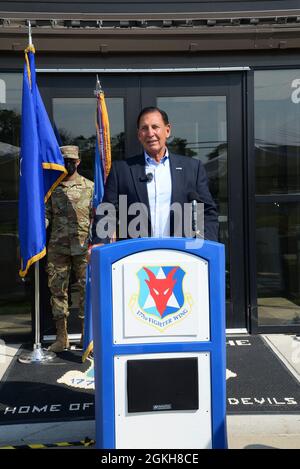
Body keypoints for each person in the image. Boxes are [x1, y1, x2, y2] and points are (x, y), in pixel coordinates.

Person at [91, 106, 218, 245]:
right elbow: (107, 212)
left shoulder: (192, 168)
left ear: (167, 130)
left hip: (181, 256)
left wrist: (207, 246)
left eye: (155, 127)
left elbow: (206, 212)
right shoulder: (121, 170)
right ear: (139, 135)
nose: (150, 133)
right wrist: (100, 243)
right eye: (144, 128)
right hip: (135, 258)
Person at [46, 145, 94, 352]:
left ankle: (87, 337)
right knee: (57, 291)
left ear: (78, 162)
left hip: (84, 248)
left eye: (72, 161)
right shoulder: (51, 189)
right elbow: (46, 215)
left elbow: (100, 216)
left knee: (87, 292)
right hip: (59, 248)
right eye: (65, 161)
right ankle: (61, 338)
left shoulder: (90, 187)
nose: (68, 164)